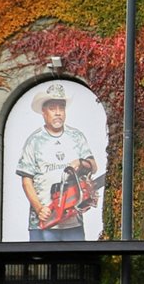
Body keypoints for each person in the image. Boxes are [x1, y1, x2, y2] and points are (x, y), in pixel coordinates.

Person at [15, 81, 101, 242]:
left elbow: (93, 166)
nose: (58, 113)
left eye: (61, 108)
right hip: (43, 221)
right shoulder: (34, 141)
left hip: (73, 219)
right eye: (53, 108)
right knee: (42, 264)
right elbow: (27, 181)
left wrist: (81, 163)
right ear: (44, 112)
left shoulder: (76, 137)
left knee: (75, 263)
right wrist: (39, 208)